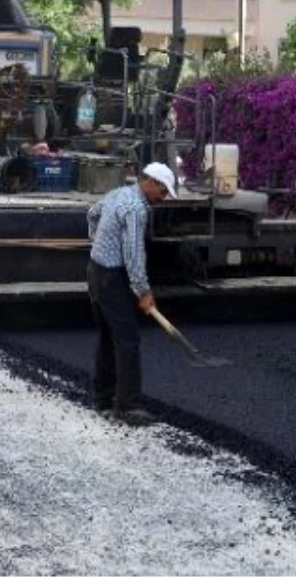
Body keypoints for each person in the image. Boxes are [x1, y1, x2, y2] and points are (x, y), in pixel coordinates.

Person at [86, 162, 176, 427]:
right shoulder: (136, 209)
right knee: (128, 341)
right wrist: (143, 292)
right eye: (163, 192)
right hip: (113, 276)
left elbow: (92, 213)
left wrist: (98, 240)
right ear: (151, 183)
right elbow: (134, 256)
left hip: (95, 270)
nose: (163, 198)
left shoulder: (118, 194)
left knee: (107, 336)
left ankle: (102, 398)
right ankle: (127, 406)